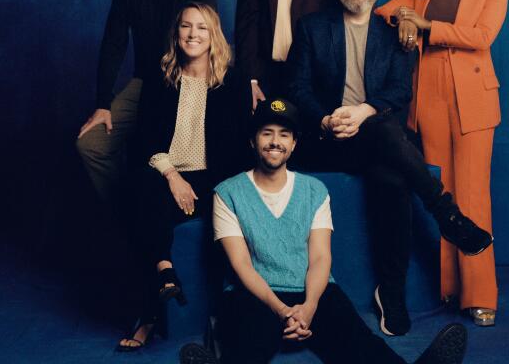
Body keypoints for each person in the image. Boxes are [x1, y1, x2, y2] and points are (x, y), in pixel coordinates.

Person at [285, 0, 492, 337]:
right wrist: (327, 118)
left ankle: (391, 291)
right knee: (389, 139)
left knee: (391, 170)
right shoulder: (314, 27)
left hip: (376, 137)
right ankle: (448, 215)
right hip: (326, 138)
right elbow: (296, 86)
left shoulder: (394, 31)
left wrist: (363, 112)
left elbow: (398, 92)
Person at [193, 97, 469, 364]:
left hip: (311, 288)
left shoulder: (314, 191)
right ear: (253, 141)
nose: (275, 142)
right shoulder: (228, 193)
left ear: (294, 143)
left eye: (284, 135)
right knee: (250, 340)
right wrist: (282, 310)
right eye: (267, 134)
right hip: (254, 291)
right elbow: (242, 265)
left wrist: (310, 306)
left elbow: (321, 258)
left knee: (358, 341)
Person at [376, 0, 509, 327]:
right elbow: (386, 11)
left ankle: (481, 294)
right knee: (442, 194)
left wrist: (426, 25)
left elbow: (483, 35)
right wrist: (407, 20)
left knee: (473, 195)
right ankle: (452, 290)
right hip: (429, 100)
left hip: (473, 99)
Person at [116, 2, 251, 351]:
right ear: (176, 34)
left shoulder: (232, 81)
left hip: (212, 179)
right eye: (186, 27)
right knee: (141, 189)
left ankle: (176, 306)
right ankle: (161, 277)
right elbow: (144, 139)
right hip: (166, 174)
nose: (193, 34)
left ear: (213, 36)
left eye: (202, 28)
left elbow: (238, 147)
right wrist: (173, 175)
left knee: (149, 210)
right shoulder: (162, 78)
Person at [77, 0, 218, 206]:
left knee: (161, 152)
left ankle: (154, 213)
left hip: (184, 84)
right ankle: (124, 211)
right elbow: (114, 43)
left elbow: (207, 40)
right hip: (145, 82)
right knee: (90, 144)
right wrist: (103, 103)